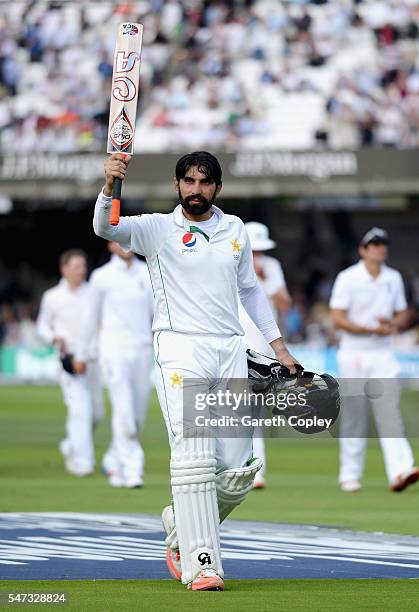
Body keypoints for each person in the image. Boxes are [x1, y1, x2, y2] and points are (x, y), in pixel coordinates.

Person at [93, 151, 301, 591]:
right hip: (179, 348)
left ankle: (179, 523)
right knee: (194, 455)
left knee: (239, 470)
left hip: (230, 350)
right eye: (188, 181)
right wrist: (110, 185)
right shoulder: (155, 229)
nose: (195, 189)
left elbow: (250, 291)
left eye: (204, 182)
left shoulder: (235, 230)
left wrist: (280, 348)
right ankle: (202, 564)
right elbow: (106, 227)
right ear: (176, 185)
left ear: (217, 189)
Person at [329, 227, 419, 493]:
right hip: (354, 352)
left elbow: (403, 313)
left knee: (389, 412)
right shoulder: (348, 278)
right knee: (355, 415)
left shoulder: (392, 278)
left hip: (382, 353)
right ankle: (349, 474)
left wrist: (393, 323)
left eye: (383, 244)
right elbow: (337, 318)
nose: (381, 248)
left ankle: (401, 470)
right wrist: (370, 329)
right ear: (363, 250)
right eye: (375, 244)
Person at [75, 241, 154, 489]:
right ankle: (132, 469)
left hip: (142, 348)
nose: (126, 245)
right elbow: (90, 318)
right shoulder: (101, 277)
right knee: (124, 409)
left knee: (138, 412)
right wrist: (81, 353)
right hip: (112, 347)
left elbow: (159, 313)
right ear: (110, 244)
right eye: (120, 240)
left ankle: (113, 459)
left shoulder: (148, 272)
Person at [36, 249, 104, 476]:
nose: (80, 271)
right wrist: (53, 337)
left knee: (96, 413)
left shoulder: (93, 294)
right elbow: (42, 326)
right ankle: (82, 462)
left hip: (94, 358)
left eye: (83, 266)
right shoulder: (52, 296)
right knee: (80, 410)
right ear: (64, 269)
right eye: (75, 266)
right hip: (69, 360)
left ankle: (70, 445)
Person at [239, 222, 291, 489]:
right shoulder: (229, 264)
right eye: (253, 251)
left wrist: (265, 280)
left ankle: (255, 470)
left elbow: (285, 304)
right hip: (235, 344)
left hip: (263, 349)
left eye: (260, 251)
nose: (257, 256)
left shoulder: (272, 268)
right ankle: (234, 466)